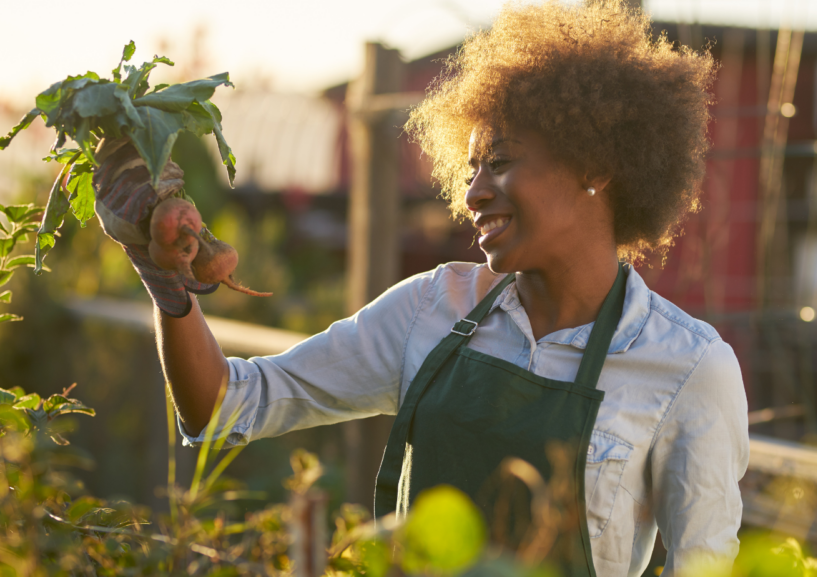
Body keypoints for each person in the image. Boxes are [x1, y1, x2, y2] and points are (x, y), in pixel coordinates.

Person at [93, 2, 748, 576]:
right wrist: (165, 280)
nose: (473, 193)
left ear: (596, 166)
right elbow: (227, 408)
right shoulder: (432, 308)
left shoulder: (689, 367)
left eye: (500, 162)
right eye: (468, 170)